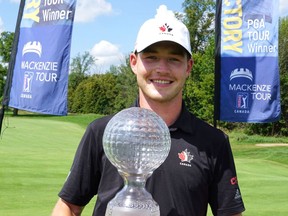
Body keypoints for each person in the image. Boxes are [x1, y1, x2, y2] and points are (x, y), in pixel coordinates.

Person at [52, 5, 245, 216]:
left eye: (173, 59)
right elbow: (68, 207)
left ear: (188, 67)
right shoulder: (103, 132)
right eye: (151, 57)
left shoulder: (213, 142)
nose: (162, 68)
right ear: (134, 62)